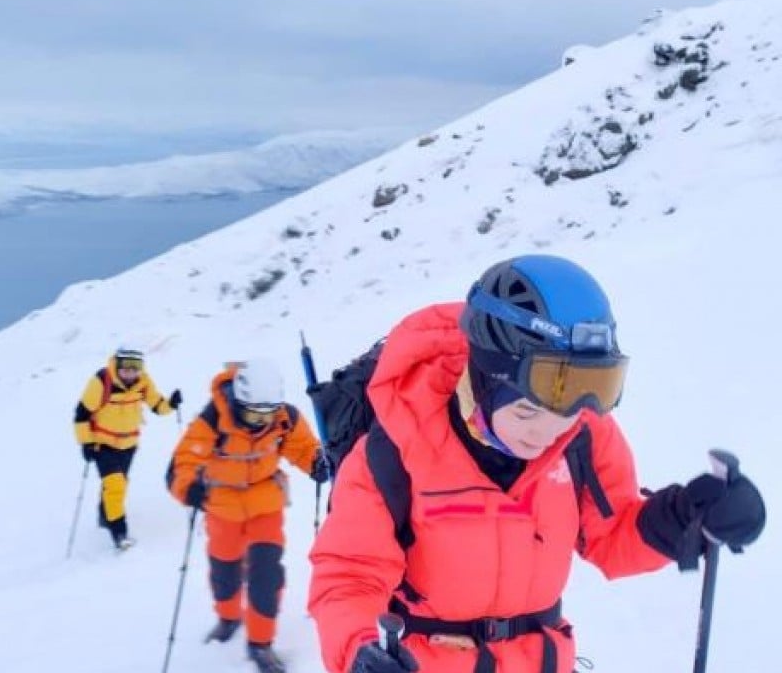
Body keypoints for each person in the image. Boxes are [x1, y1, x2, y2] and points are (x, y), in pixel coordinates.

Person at [308, 255, 766, 673]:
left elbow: (612, 535)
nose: (545, 433)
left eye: (565, 414)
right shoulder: (395, 449)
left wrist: (689, 516)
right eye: (526, 411)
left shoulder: (582, 438)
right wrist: (358, 649)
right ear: (484, 383)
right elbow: (348, 574)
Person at [168, 358, 328, 673]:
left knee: (266, 576)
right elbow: (183, 462)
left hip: (265, 503)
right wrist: (189, 488)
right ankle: (227, 618)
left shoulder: (284, 418)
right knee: (224, 570)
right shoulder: (214, 418)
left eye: (267, 414)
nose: (260, 422)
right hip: (222, 504)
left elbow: (302, 448)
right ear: (239, 401)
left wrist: (316, 463)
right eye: (254, 414)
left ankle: (261, 643)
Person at [74, 345, 181, 550]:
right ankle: (119, 533)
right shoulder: (101, 381)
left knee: (118, 484)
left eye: (136, 368)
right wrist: (86, 443)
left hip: (129, 444)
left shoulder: (143, 382)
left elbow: (157, 406)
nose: (131, 373)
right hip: (102, 444)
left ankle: (105, 517)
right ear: (117, 365)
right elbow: (81, 414)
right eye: (126, 368)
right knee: (116, 486)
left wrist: (172, 404)